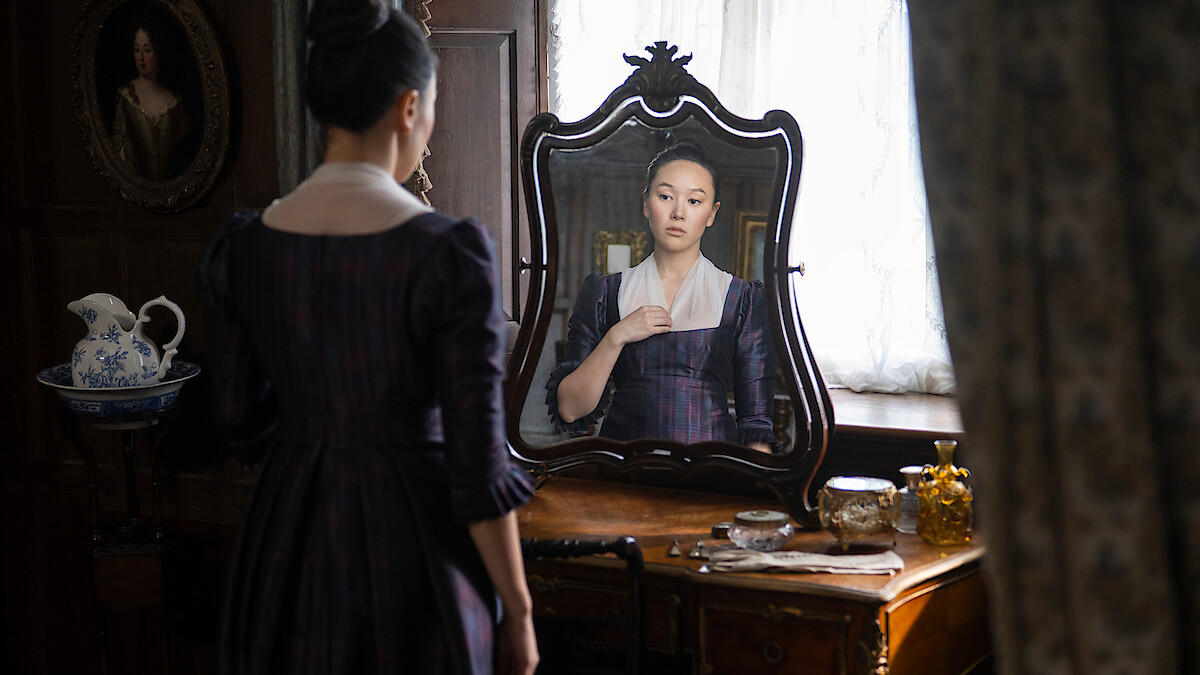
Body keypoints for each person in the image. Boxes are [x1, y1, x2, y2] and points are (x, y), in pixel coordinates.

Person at [196, 1, 538, 673]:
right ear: (408, 107)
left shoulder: (243, 248)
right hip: (410, 550)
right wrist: (520, 613)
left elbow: (239, 418)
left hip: (287, 544)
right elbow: (477, 469)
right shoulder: (448, 255)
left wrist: (318, 430)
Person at [547, 140, 779, 453]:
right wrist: (617, 336)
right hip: (622, 474)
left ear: (712, 213)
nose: (678, 213)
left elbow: (756, 426)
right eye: (666, 196)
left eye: (695, 201)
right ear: (646, 204)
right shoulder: (604, 293)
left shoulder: (742, 300)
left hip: (710, 478)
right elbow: (571, 409)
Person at [110, 15, 190, 180]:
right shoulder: (125, 98)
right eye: (136, 49)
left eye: (147, 50)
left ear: (158, 52)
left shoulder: (174, 103)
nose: (140, 58)